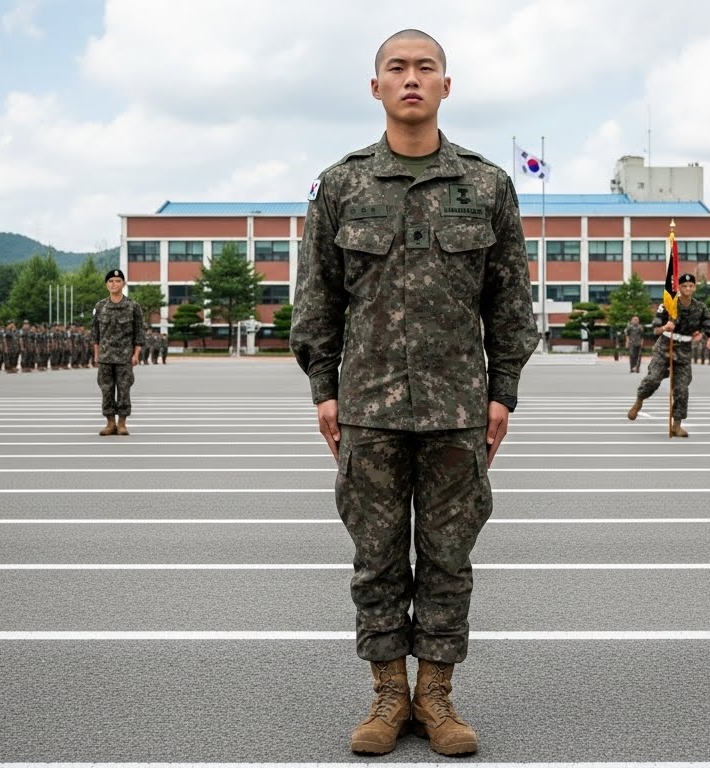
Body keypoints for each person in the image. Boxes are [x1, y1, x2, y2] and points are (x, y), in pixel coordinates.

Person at [290, 28, 535, 758]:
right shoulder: (340, 185)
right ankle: (387, 694)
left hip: (458, 408)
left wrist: (503, 393)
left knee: (448, 558)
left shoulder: (486, 185)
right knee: (375, 557)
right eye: (395, 68)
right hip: (366, 407)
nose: (410, 79)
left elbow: (509, 301)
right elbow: (317, 299)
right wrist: (322, 391)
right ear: (375, 88)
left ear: (445, 86)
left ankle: (436, 696)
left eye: (425, 67)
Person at [626, 273, 710, 437]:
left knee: (682, 389)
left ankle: (677, 425)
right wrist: (664, 327)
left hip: (684, 351)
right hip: (665, 346)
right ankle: (639, 400)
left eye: (691, 286)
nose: (688, 288)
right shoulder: (668, 305)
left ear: (694, 288)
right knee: (653, 379)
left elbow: (707, 327)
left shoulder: (701, 307)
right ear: (679, 288)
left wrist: (705, 337)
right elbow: (655, 328)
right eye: (684, 286)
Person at [91, 269, 144, 436]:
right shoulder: (100, 306)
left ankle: (122, 423)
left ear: (123, 283)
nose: (114, 284)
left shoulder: (133, 306)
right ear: (106, 284)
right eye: (111, 281)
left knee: (124, 390)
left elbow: (139, 334)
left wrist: (136, 354)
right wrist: (96, 354)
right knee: (106, 390)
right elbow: (95, 334)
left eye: (117, 280)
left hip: (124, 357)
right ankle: (110, 423)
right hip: (105, 357)